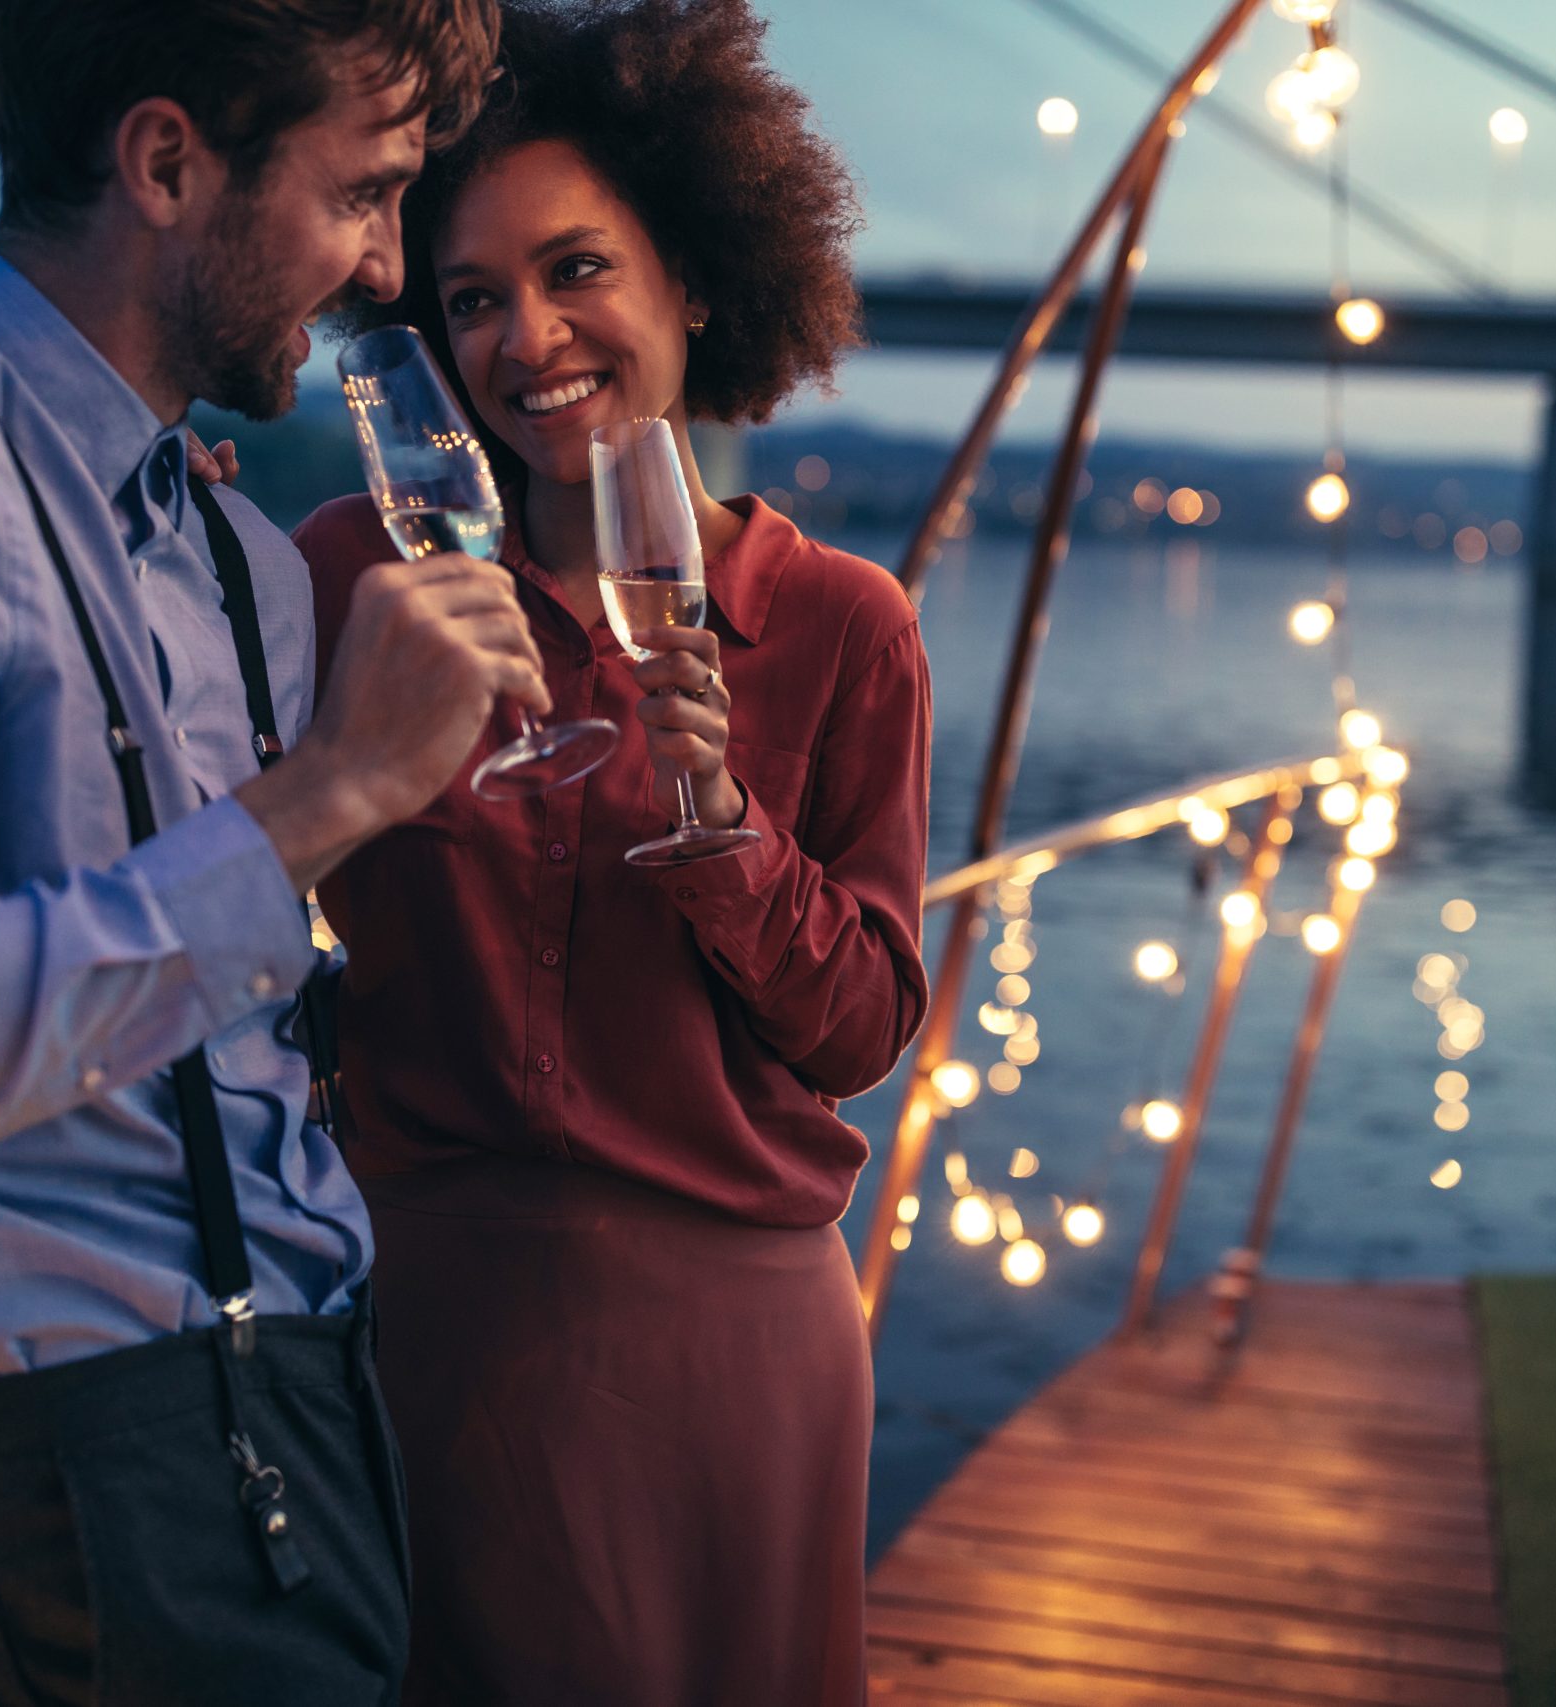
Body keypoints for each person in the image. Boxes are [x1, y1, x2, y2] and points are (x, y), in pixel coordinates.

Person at [0, 3, 530, 1701]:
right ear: (166, 161)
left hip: (313, 1422)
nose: (389, 269)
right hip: (57, 1502)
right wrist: (326, 796)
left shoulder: (242, 555)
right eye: (364, 192)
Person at [273, 1, 932, 1699]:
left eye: (578, 272)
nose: (528, 337)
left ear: (693, 282)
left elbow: (861, 1031)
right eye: (473, 298)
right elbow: (235, 886)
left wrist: (724, 832)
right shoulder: (352, 577)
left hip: (737, 1344)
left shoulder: (841, 626)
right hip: (432, 1329)